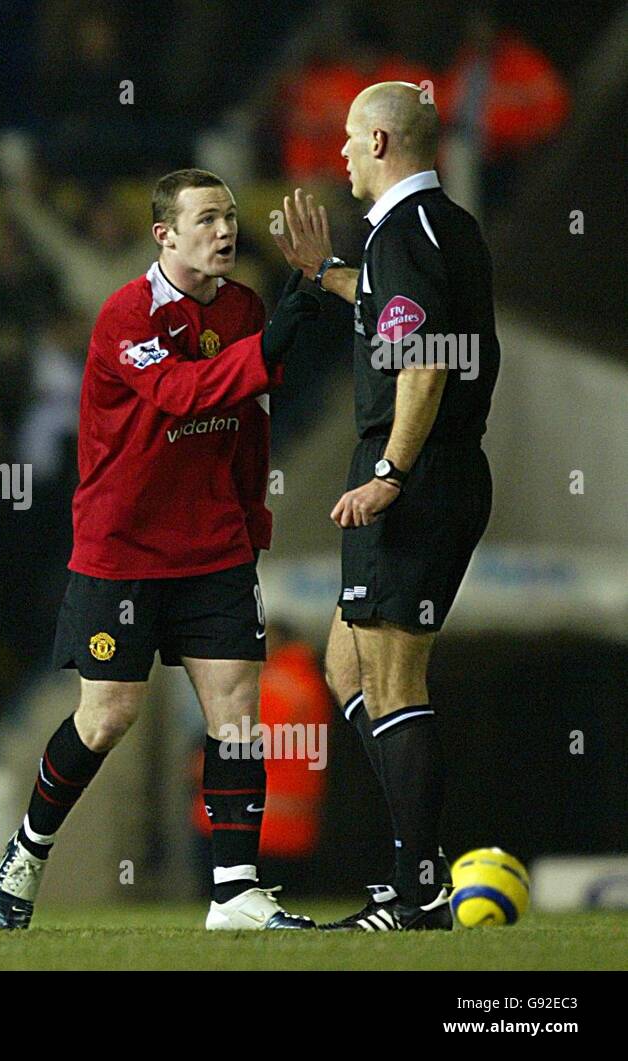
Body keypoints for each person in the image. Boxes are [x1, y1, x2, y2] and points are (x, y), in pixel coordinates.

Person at [0, 168, 320, 931]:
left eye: (231, 216)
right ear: (163, 234)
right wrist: (294, 314)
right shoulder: (125, 316)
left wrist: (252, 519)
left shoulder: (243, 308)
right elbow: (188, 393)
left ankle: (235, 890)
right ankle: (29, 849)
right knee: (107, 716)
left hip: (213, 548)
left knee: (236, 709)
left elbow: (245, 418)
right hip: (123, 548)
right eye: (205, 218)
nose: (224, 230)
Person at [273, 82, 500, 930]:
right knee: (346, 668)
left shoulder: (403, 235)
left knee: (397, 679)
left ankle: (419, 890)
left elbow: (425, 366)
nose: (337, 155)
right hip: (440, 472)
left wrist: (391, 472)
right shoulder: (445, 227)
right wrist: (322, 274)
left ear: (378, 143)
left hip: (414, 476)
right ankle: (418, 859)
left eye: (345, 139)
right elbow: (394, 315)